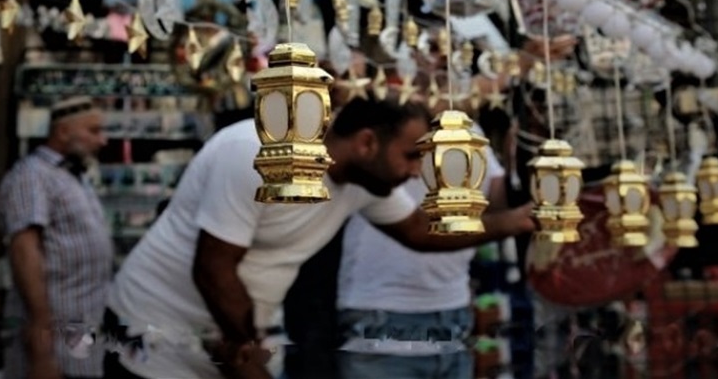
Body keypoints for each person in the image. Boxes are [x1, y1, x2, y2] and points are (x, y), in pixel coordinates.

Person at [103, 96, 536, 379]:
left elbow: (418, 230)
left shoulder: (363, 183)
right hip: (155, 335)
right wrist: (247, 355)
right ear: (366, 142)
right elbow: (214, 269)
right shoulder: (257, 154)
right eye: (410, 157)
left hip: (230, 341)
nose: (415, 173)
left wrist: (514, 221)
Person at [335, 118, 508, 379]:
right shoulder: (388, 117)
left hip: (453, 311)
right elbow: (417, 230)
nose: (415, 170)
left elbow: (496, 198)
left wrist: (523, 168)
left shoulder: (469, 127)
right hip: (382, 312)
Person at [0, 97, 112, 379]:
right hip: (52, 342)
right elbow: (24, 252)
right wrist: (41, 341)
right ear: (63, 132)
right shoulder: (32, 175)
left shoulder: (73, 177)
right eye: (93, 131)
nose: (103, 140)